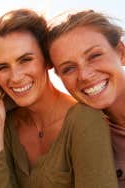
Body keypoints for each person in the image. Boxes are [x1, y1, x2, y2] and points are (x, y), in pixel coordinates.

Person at [0, 9, 118, 187]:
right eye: (3, 67)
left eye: (25, 60)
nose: (16, 77)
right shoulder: (8, 125)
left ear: (48, 60)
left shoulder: (85, 120)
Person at [48, 10, 125, 187]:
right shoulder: (83, 137)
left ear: (120, 52)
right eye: (68, 68)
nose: (85, 75)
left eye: (94, 56)